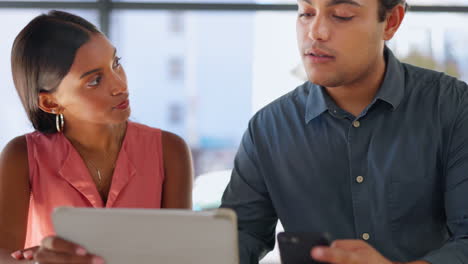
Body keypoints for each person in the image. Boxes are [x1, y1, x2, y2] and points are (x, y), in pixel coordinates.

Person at [221, 0, 468, 263]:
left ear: (392, 21)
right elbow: (238, 237)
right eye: (306, 13)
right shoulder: (268, 128)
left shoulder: (452, 108)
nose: (316, 32)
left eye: (342, 15)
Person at [0, 10, 193, 264]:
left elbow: (182, 255)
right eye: (95, 81)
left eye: (116, 63)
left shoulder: (170, 150)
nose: (119, 86)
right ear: (50, 102)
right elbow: (3, 253)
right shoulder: (21, 156)